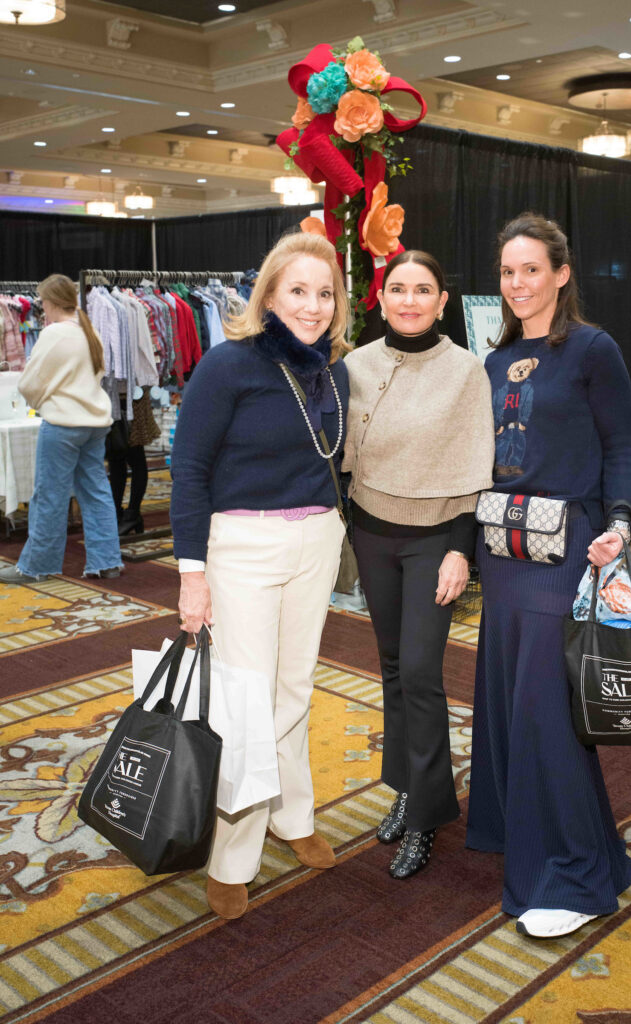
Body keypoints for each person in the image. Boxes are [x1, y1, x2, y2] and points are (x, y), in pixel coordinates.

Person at [466, 213, 631, 939]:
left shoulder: (594, 349)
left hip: (567, 552)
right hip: (504, 552)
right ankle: (569, 846)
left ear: (561, 274)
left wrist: (620, 524)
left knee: (545, 711)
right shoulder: (494, 360)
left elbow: (618, 448)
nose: (518, 283)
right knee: (512, 698)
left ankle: (573, 874)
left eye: (531, 269)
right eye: (508, 272)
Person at [170, 232, 350, 920]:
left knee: (293, 689)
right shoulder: (228, 364)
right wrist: (192, 574)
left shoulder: (334, 370)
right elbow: (189, 471)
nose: (312, 305)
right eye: (297, 290)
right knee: (244, 703)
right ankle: (232, 854)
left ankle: (291, 815)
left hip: (316, 541)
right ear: (269, 294)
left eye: (325, 293)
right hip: (242, 545)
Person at [342, 251, 495, 879]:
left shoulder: (466, 371)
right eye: (398, 289)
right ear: (381, 299)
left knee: (423, 674)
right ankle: (407, 789)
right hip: (372, 533)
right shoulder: (355, 365)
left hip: (436, 539)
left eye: (423, 289)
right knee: (393, 668)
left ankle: (428, 815)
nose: (410, 300)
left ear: (442, 301)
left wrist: (461, 549)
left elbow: (476, 466)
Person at [0, 274, 122, 585]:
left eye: (43, 301)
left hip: (64, 424)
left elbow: (29, 382)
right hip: (94, 424)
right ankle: (107, 561)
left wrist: (42, 402)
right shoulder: (89, 331)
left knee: (49, 496)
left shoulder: (54, 333)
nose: (42, 307)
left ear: (52, 302)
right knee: (96, 492)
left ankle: (36, 566)